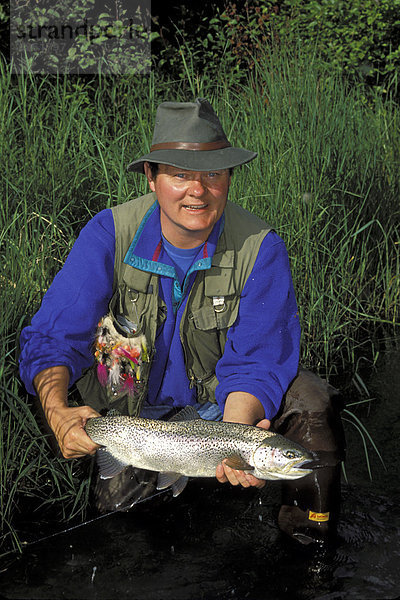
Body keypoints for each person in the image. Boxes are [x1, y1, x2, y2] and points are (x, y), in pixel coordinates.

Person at [19, 98, 345, 544]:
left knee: (312, 401)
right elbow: (54, 337)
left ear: (229, 178)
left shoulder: (261, 248)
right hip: (132, 417)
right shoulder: (108, 234)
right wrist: (58, 413)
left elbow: (259, 359)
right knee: (123, 522)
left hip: (218, 410)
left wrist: (237, 439)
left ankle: (309, 538)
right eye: (180, 174)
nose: (198, 190)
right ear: (152, 178)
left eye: (213, 173)